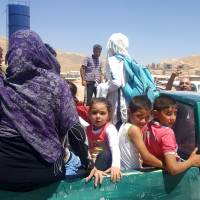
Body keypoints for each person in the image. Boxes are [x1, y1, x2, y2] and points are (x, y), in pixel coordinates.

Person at [0, 30, 91, 191]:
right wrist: (88, 163)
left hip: (4, 174)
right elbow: (75, 130)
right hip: (45, 173)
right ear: (39, 51)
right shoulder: (56, 85)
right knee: (71, 162)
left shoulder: (3, 85)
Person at [143, 95, 200, 175]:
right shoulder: (167, 133)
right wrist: (191, 161)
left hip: (149, 169)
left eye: (175, 113)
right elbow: (173, 169)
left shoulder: (148, 126)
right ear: (155, 114)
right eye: (168, 113)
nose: (173, 118)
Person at [119, 95, 164, 170]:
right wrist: (165, 166)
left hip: (124, 170)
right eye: (139, 116)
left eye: (147, 117)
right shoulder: (134, 129)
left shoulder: (124, 125)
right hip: (131, 173)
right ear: (129, 112)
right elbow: (146, 157)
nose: (143, 121)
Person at [85, 97, 121, 186]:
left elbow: (115, 148)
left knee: (104, 151)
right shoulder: (87, 129)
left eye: (102, 113)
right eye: (94, 113)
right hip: (93, 162)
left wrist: (116, 166)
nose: (98, 116)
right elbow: (86, 149)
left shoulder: (110, 128)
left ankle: (98, 173)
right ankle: (93, 172)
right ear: (89, 114)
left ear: (108, 115)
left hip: (106, 162)